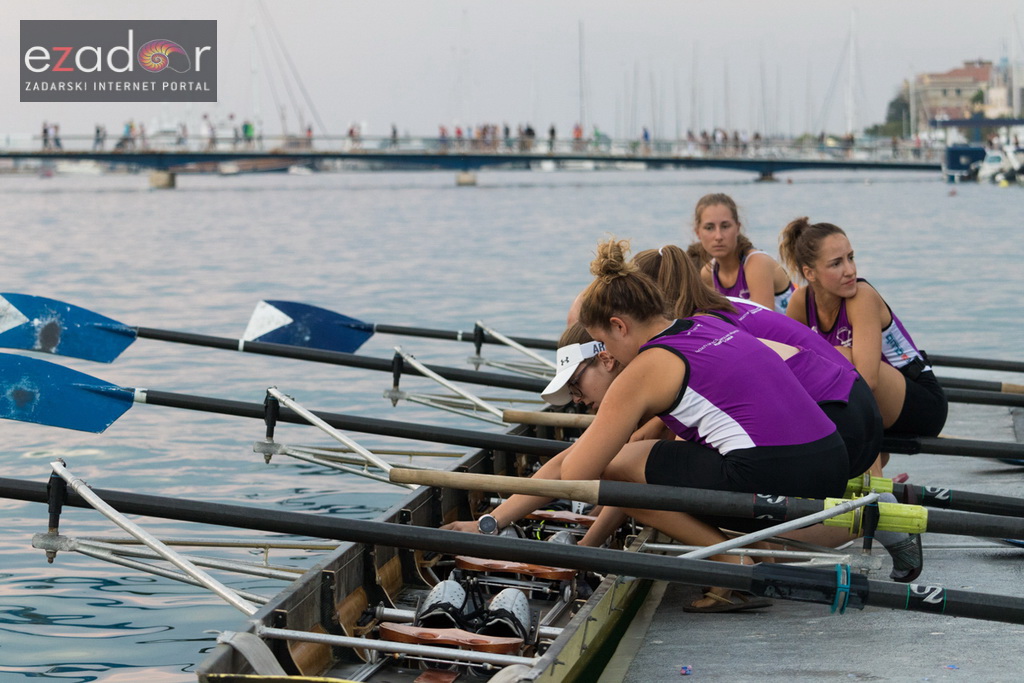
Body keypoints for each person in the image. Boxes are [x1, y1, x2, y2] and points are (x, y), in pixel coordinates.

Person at [445, 238, 857, 610]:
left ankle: (734, 564)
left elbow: (577, 473)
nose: (608, 355)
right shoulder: (706, 325)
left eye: (604, 342)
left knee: (620, 467)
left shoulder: (647, 367)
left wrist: (493, 523)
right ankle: (743, 553)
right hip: (832, 461)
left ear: (619, 326)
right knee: (641, 461)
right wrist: (497, 521)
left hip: (782, 476)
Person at [778, 217, 948, 440]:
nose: (850, 271)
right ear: (810, 273)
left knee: (840, 356)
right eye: (836, 264)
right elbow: (791, 366)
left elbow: (869, 380)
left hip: (921, 403)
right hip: (871, 404)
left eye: (850, 258)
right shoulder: (800, 301)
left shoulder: (862, 297)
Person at [689, 193, 795, 313]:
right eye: (709, 228)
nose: (718, 236)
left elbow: (762, 321)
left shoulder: (757, 263)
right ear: (698, 232)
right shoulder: (708, 274)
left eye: (725, 226)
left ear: (737, 228)